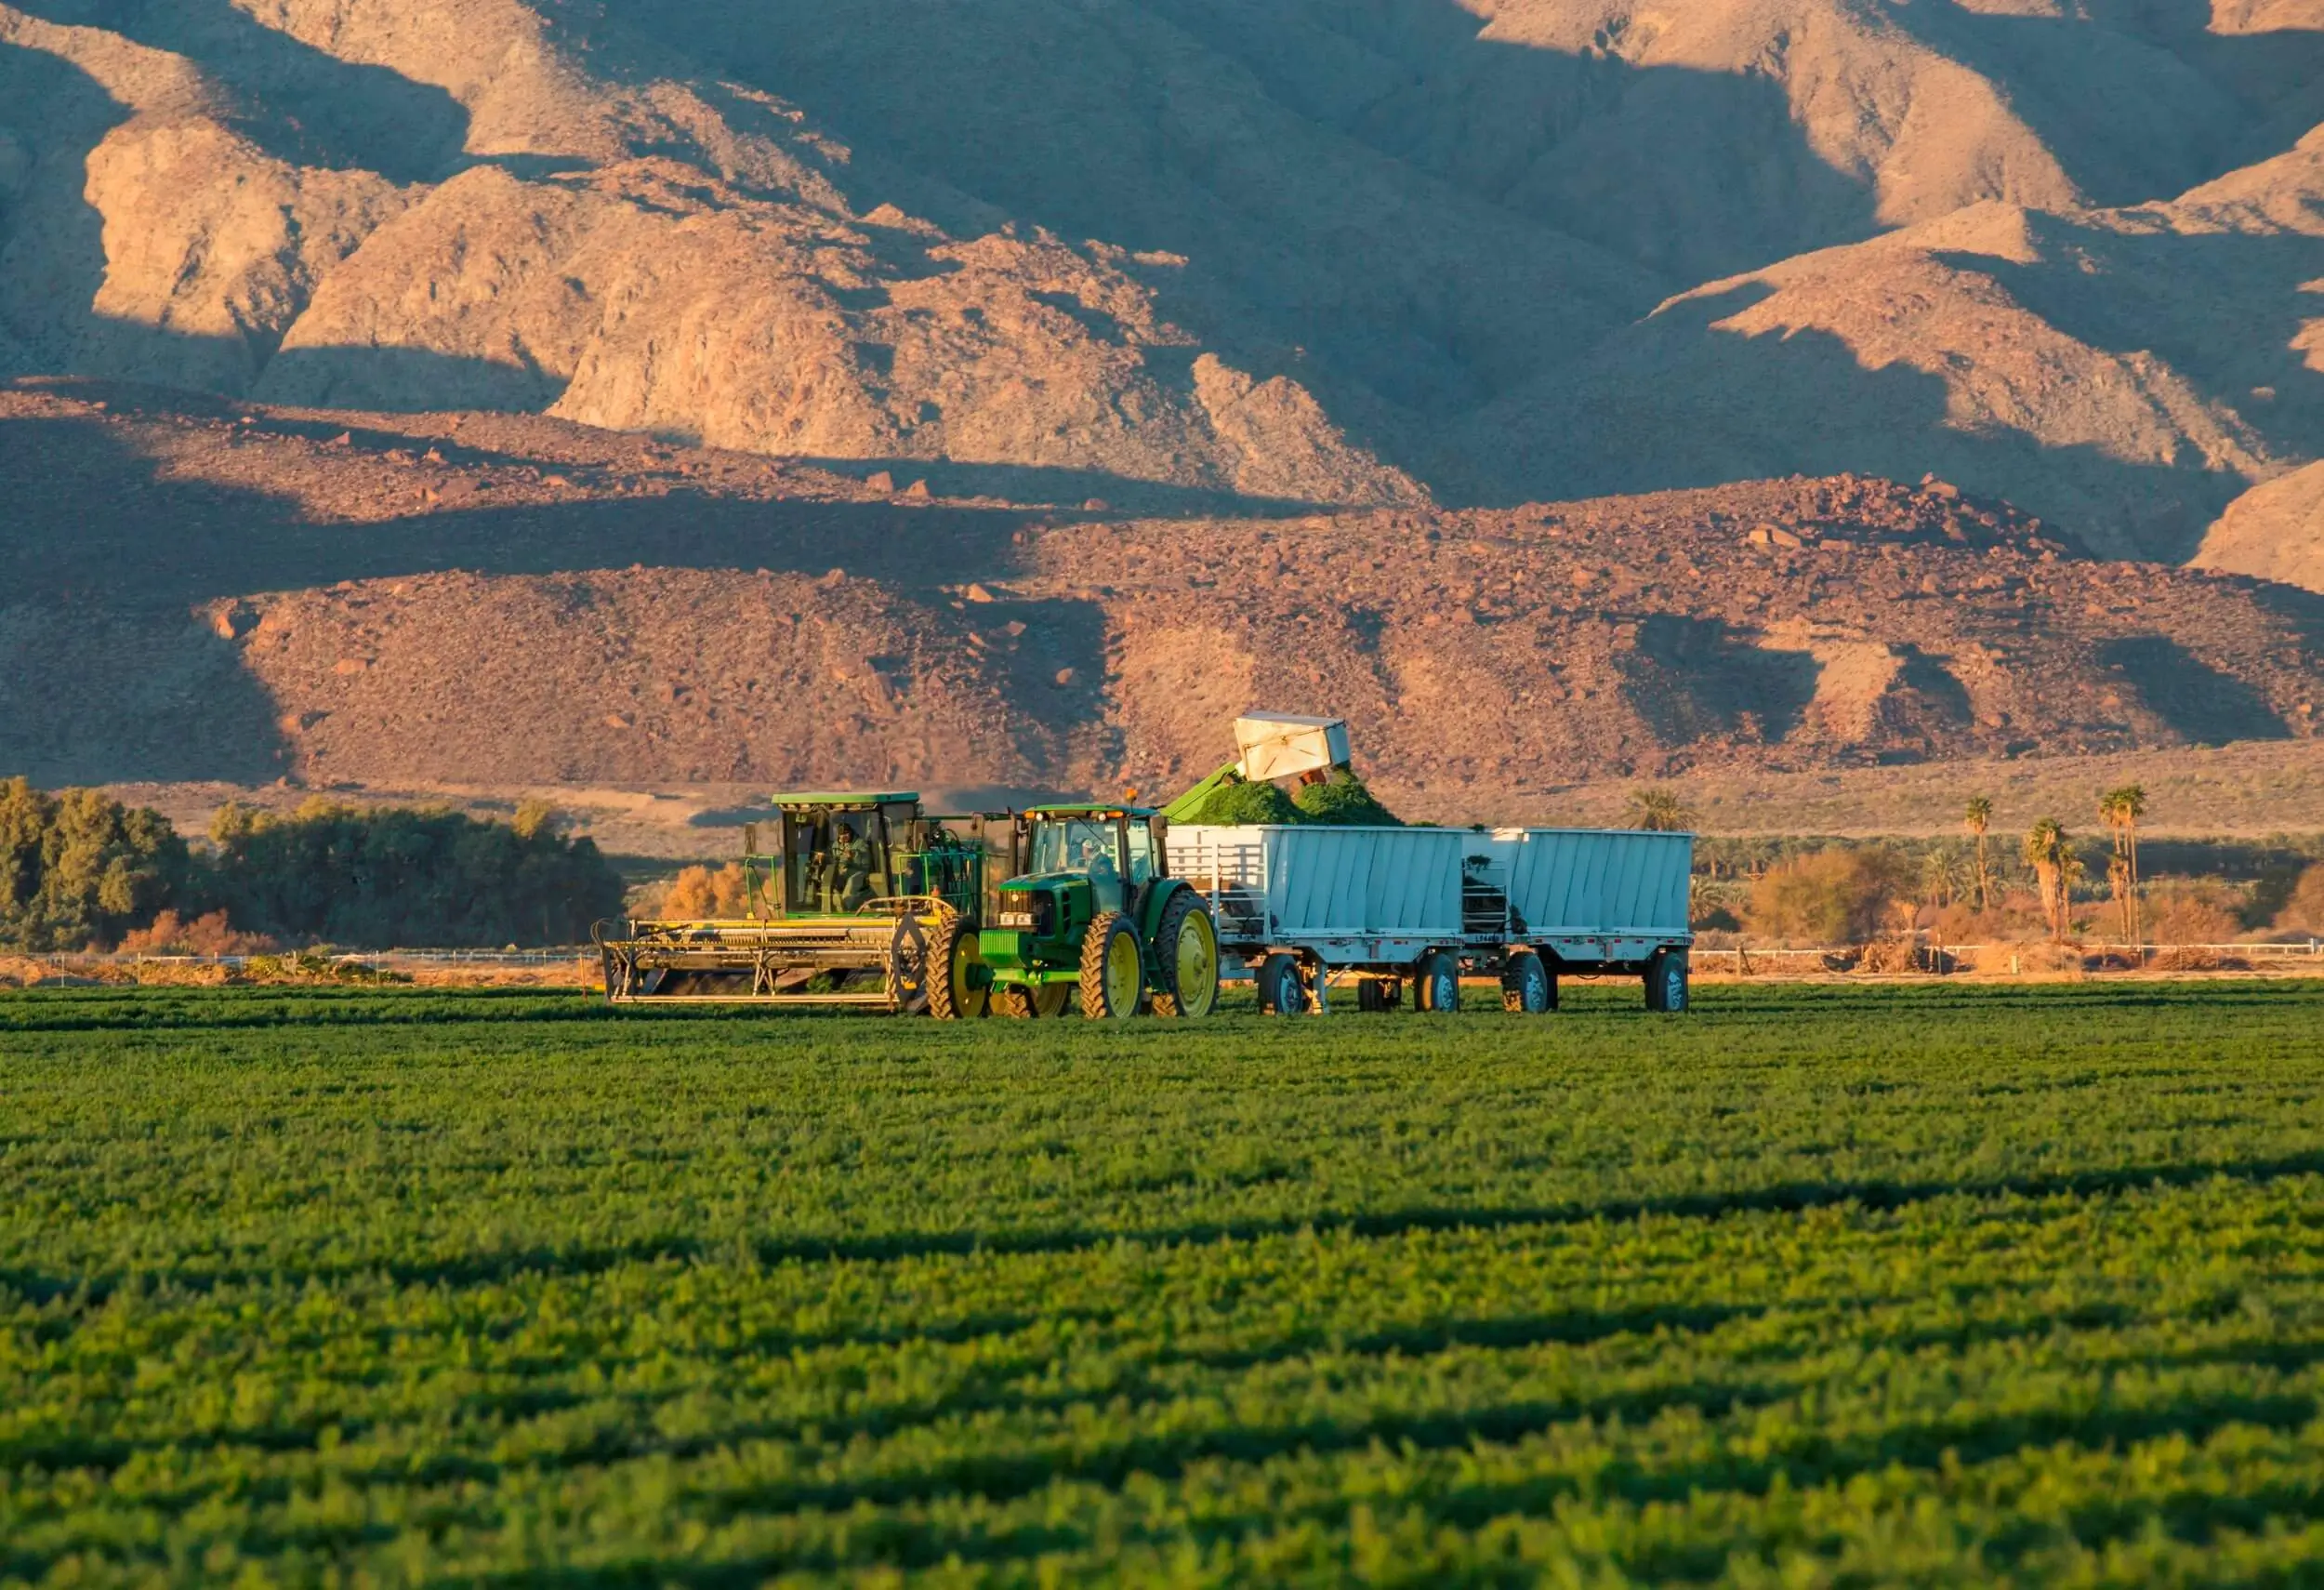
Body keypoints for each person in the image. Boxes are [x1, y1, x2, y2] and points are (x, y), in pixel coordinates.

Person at [833, 820, 875, 912]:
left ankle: (845, 905)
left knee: (852, 881)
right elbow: (833, 858)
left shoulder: (860, 843)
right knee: (826, 876)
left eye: (846, 833)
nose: (844, 836)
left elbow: (866, 860)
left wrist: (854, 855)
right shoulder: (835, 845)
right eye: (841, 834)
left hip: (859, 871)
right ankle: (832, 900)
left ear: (850, 832)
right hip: (842, 871)